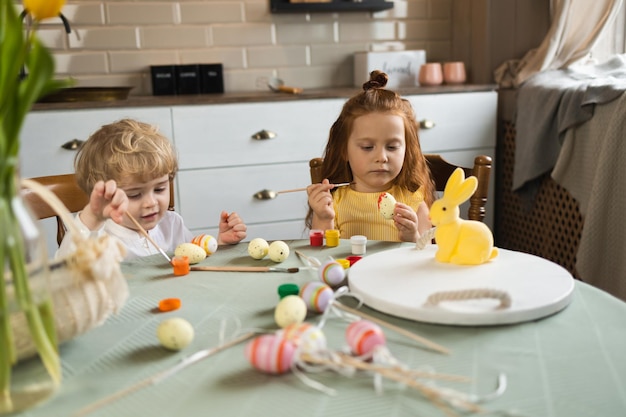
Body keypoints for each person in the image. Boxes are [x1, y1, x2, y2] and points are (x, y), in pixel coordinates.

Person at [56, 118, 247, 260]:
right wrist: (91, 218)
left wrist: (219, 245)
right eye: (134, 194)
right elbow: (65, 271)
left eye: (160, 189)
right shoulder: (98, 236)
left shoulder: (171, 224)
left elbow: (194, 264)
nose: (151, 203)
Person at [305, 70, 436, 243]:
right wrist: (323, 218)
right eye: (367, 147)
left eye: (392, 147)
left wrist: (412, 237)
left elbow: (425, 260)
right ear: (344, 150)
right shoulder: (334, 203)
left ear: (407, 149)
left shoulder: (413, 201)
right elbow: (321, 256)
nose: (382, 157)